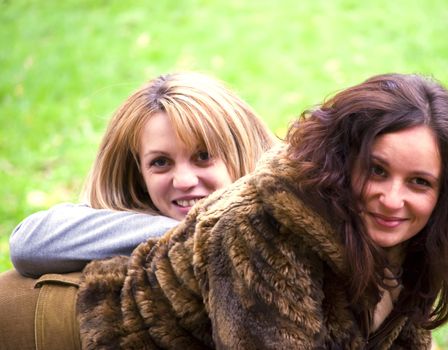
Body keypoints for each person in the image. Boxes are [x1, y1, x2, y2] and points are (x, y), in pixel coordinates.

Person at [77, 73, 448, 349]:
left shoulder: (407, 241)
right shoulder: (260, 227)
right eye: (376, 170)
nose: (392, 199)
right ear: (342, 161)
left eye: (419, 182)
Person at [0, 71, 276, 350]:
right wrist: (193, 235)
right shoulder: (136, 220)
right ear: (139, 176)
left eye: (203, 157)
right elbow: (29, 242)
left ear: (241, 152)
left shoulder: (286, 212)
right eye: (160, 162)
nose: (184, 180)